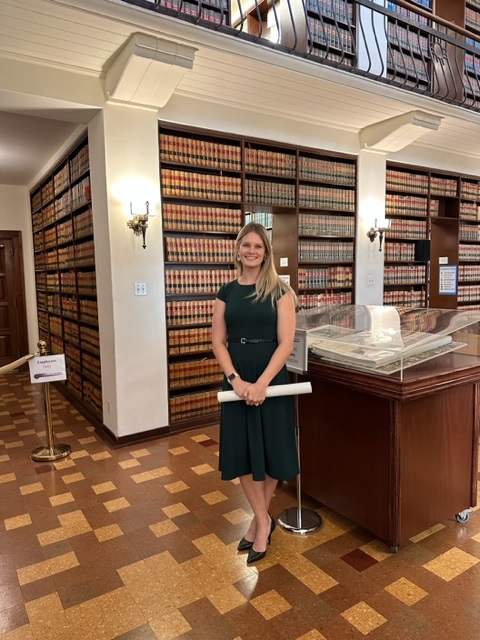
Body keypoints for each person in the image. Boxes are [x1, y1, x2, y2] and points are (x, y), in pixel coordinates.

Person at [211, 221, 299, 564]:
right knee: (243, 451)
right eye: (246, 245)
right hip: (237, 376)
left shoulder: (281, 291)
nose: (251, 251)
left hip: (272, 377)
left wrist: (262, 383)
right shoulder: (226, 292)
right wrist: (235, 379)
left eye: (258, 246)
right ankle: (263, 521)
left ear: (266, 252)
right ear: (238, 249)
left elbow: (286, 342)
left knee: (274, 449)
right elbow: (218, 341)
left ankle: (259, 523)